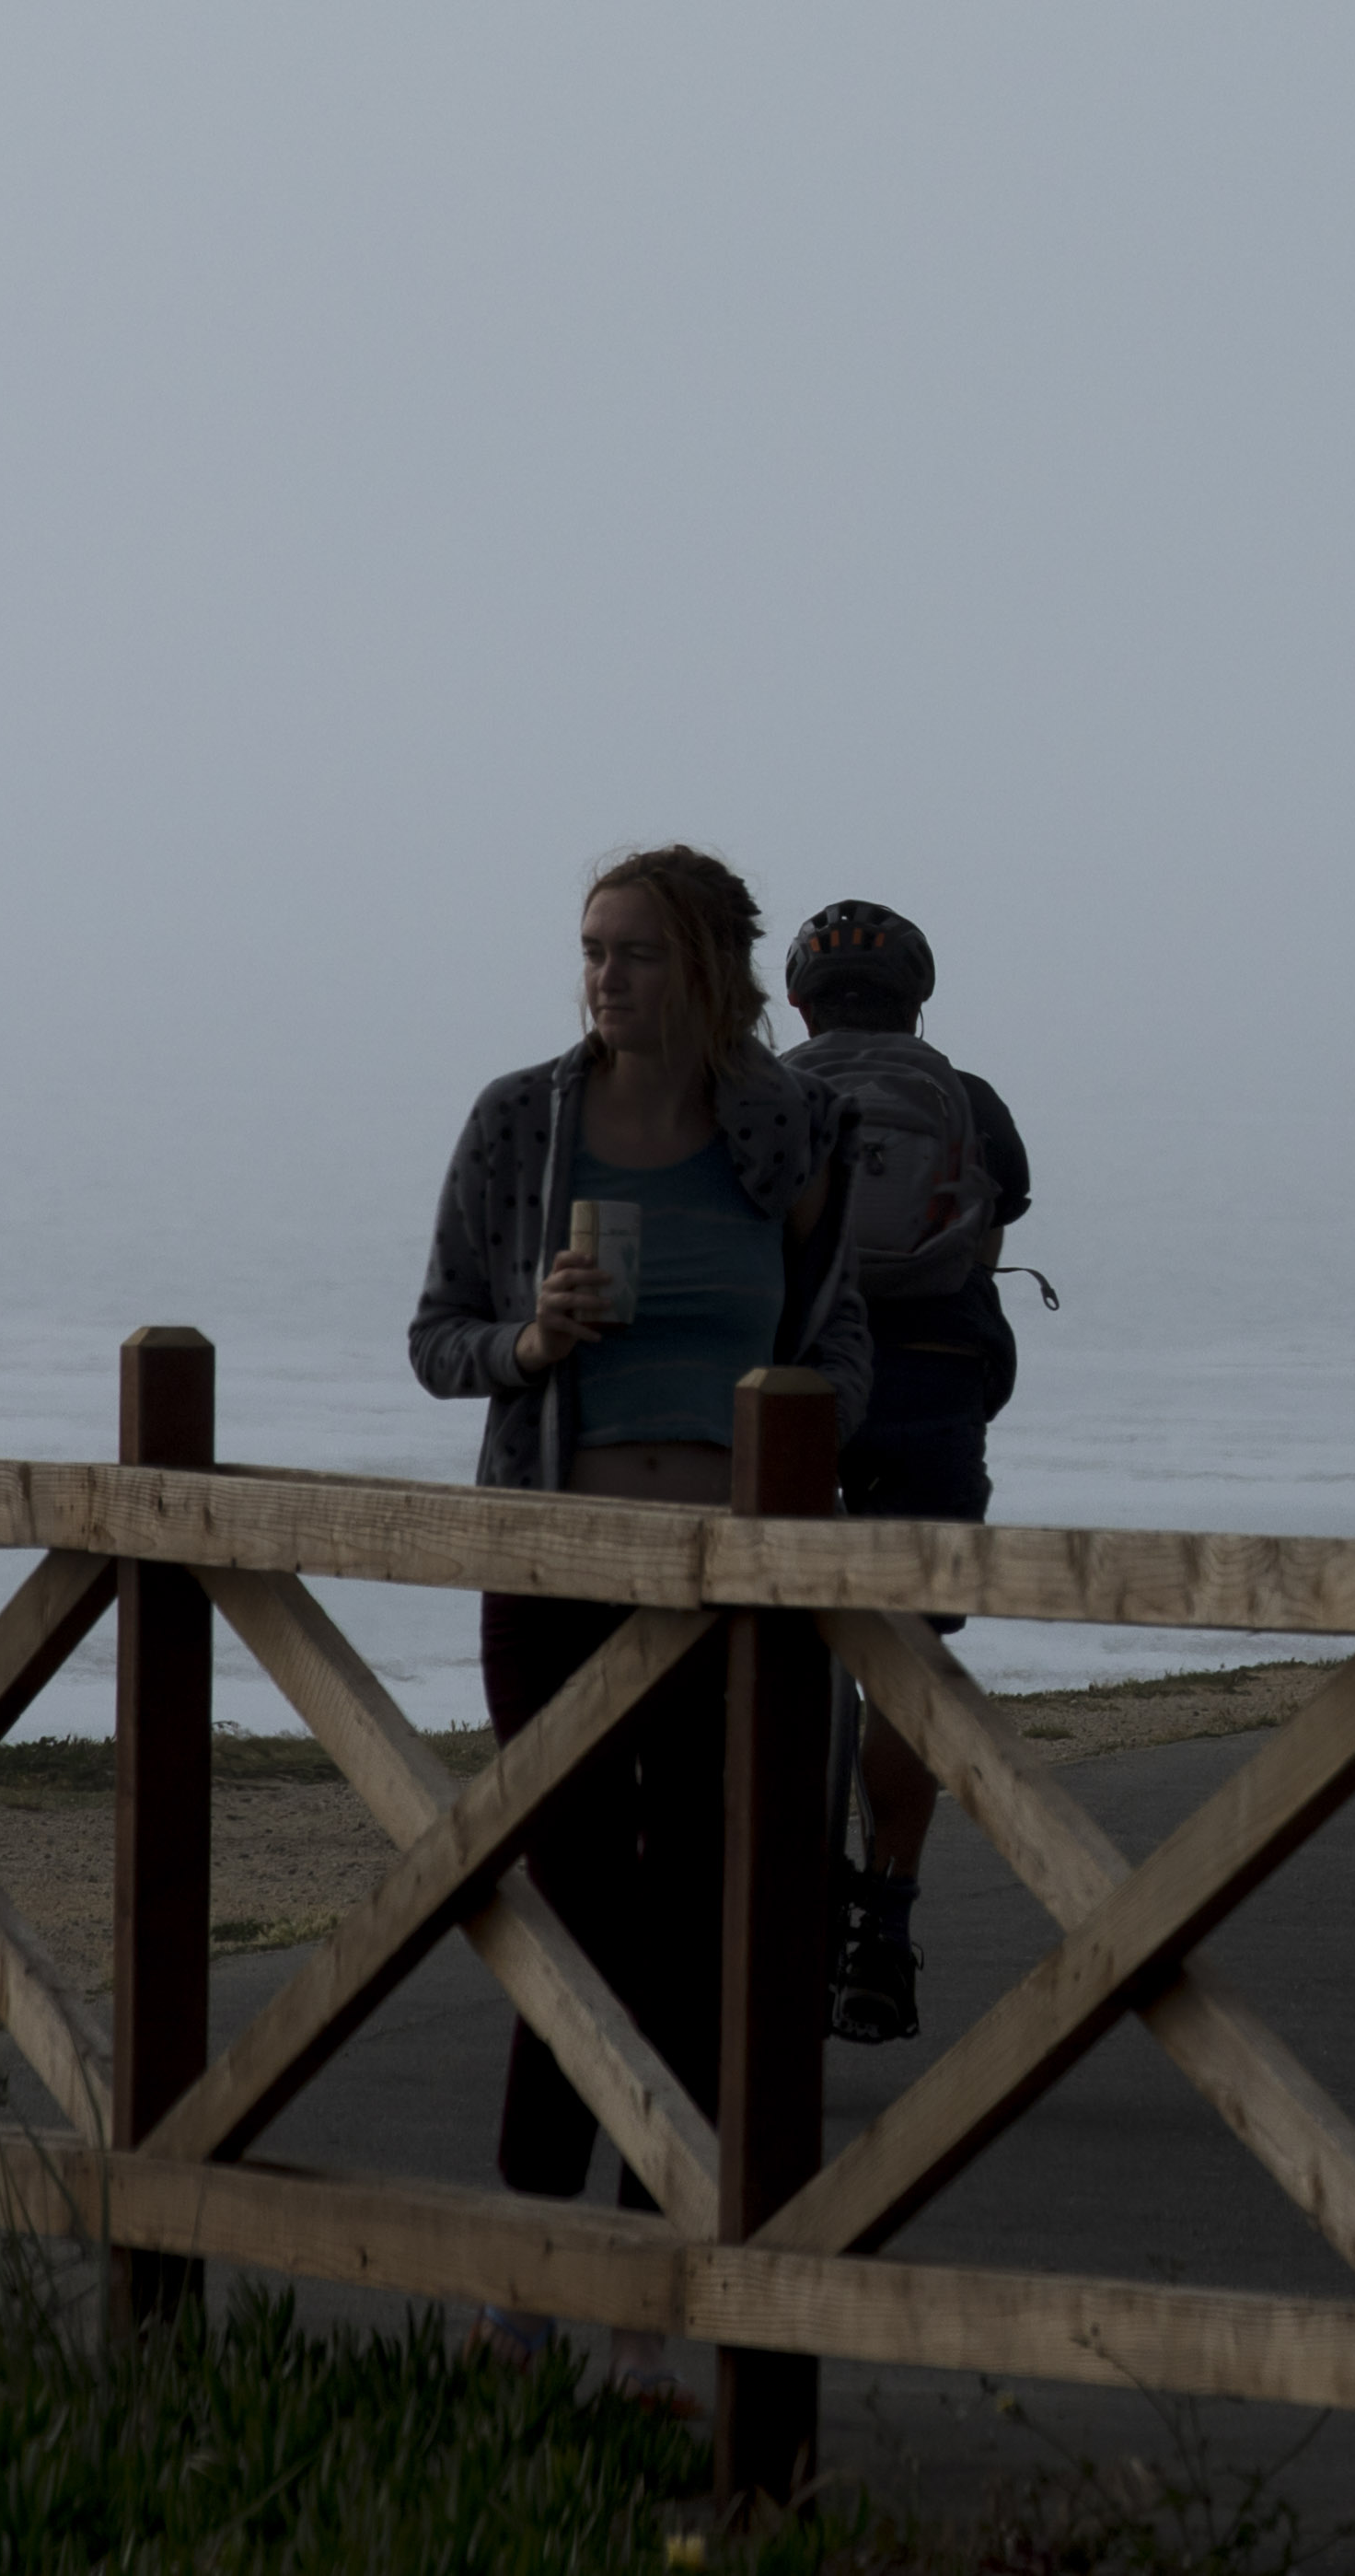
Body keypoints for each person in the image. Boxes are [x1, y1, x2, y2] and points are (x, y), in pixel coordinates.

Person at [409, 846, 873, 2393]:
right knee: (582, 1919)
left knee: (697, 1934)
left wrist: (800, 1441)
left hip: (734, 1588)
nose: (606, 977)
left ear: (713, 970)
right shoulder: (520, 1123)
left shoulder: (786, 1127)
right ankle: (529, 2288)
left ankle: (641, 2312)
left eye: (639, 953)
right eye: (594, 949)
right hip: (557, 1566)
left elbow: (840, 1338)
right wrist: (531, 1341)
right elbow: (437, 1338)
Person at [780, 899, 1037, 2047]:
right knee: (911, 1652)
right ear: (916, 999)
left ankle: (778, 1892)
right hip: (932, 1381)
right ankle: (884, 1919)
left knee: (768, 1635)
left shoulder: (766, 1095)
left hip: (794, 1390)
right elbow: (985, 1238)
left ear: (799, 1004)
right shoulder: (966, 1098)